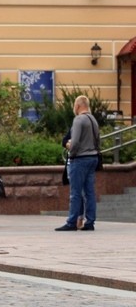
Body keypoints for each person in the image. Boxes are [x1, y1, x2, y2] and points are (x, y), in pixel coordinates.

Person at [55, 95, 99, 232]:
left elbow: (75, 142)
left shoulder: (79, 120)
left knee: (75, 192)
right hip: (93, 158)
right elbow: (98, 141)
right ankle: (90, 222)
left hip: (80, 159)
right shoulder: (93, 120)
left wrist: (70, 148)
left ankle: (72, 222)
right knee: (90, 192)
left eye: (75, 106)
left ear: (78, 106)